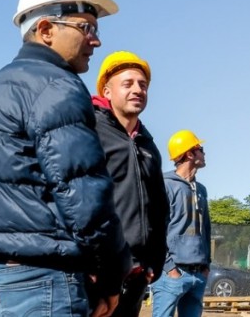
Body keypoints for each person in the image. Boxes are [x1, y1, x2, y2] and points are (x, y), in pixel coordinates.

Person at [0, 0, 132, 317]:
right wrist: (114, 275)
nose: (95, 41)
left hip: (2, 280)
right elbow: (84, 196)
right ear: (46, 30)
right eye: (87, 28)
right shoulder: (55, 86)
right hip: (46, 282)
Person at [92, 51, 169, 316]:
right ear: (107, 91)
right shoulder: (89, 132)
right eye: (128, 83)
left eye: (143, 85)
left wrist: (155, 262)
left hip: (136, 275)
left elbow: (159, 207)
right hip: (96, 277)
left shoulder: (148, 145)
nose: (137, 89)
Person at [151, 130, 212, 317]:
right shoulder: (165, 185)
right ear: (189, 154)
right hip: (172, 274)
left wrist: (206, 265)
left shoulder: (201, 190)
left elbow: (206, 229)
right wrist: (170, 269)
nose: (204, 153)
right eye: (200, 149)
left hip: (198, 274)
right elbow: (154, 230)